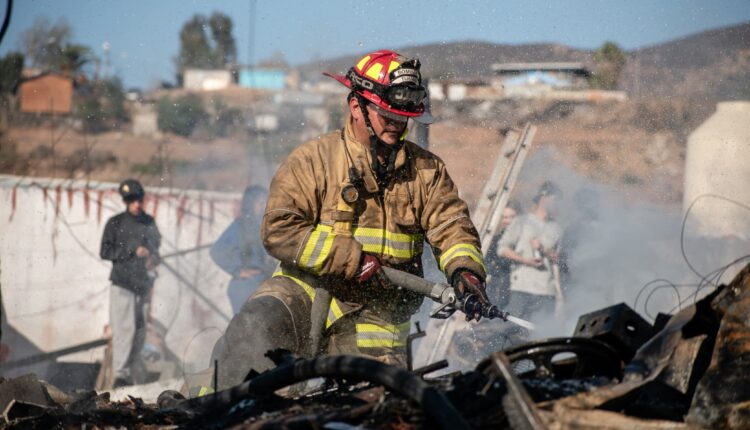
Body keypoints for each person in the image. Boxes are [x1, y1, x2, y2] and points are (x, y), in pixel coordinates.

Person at [210, 50, 488, 390]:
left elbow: (451, 226)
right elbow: (278, 230)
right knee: (254, 328)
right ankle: (204, 415)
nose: (396, 125)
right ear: (357, 107)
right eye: (387, 114)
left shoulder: (427, 171)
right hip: (305, 295)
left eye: (403, 117)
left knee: (365, 405)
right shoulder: (313, 160)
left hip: (379, 316)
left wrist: (466, 272)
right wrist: (350, 259)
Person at [100, 179, 161, 388]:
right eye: (131, 200)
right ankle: (121, 375)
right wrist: (131, 251)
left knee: (140, 331)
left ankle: (132, 375)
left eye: (138, 199)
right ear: (126, 201)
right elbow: (105, 251)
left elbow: (156, 250)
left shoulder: (149, 222)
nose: (136, 204)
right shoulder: (115, 223)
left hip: (142, 286)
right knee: (124, 330)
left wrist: (152, 257)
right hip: (122, 284)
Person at [498, 181, 563, 322]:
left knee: (539, 334)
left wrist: (543, 250)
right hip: (522, 287)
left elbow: (558, 259)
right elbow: (502, 249)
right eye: (555, 200)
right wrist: (526, 261)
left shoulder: (557, 229)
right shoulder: (522, 222)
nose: (557, 204)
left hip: (546, 292)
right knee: (512, 327)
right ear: (543, 199)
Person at [210, 186, 273, 314]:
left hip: (265, 282)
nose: (264, 206)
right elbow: (217, 251)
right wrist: (237, 270)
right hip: (246, 286)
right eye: (261, 202)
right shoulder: (240, 226)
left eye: (266, 202)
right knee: (247, 329)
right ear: (250, 204)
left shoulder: (266, 226)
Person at [484, 202, 520, 308]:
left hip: (518, 292)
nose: (508, 221)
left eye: (512, 217)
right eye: (504, 217)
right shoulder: (494, 241)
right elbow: (486, 265)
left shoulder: (525, 240)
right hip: (497, 291)